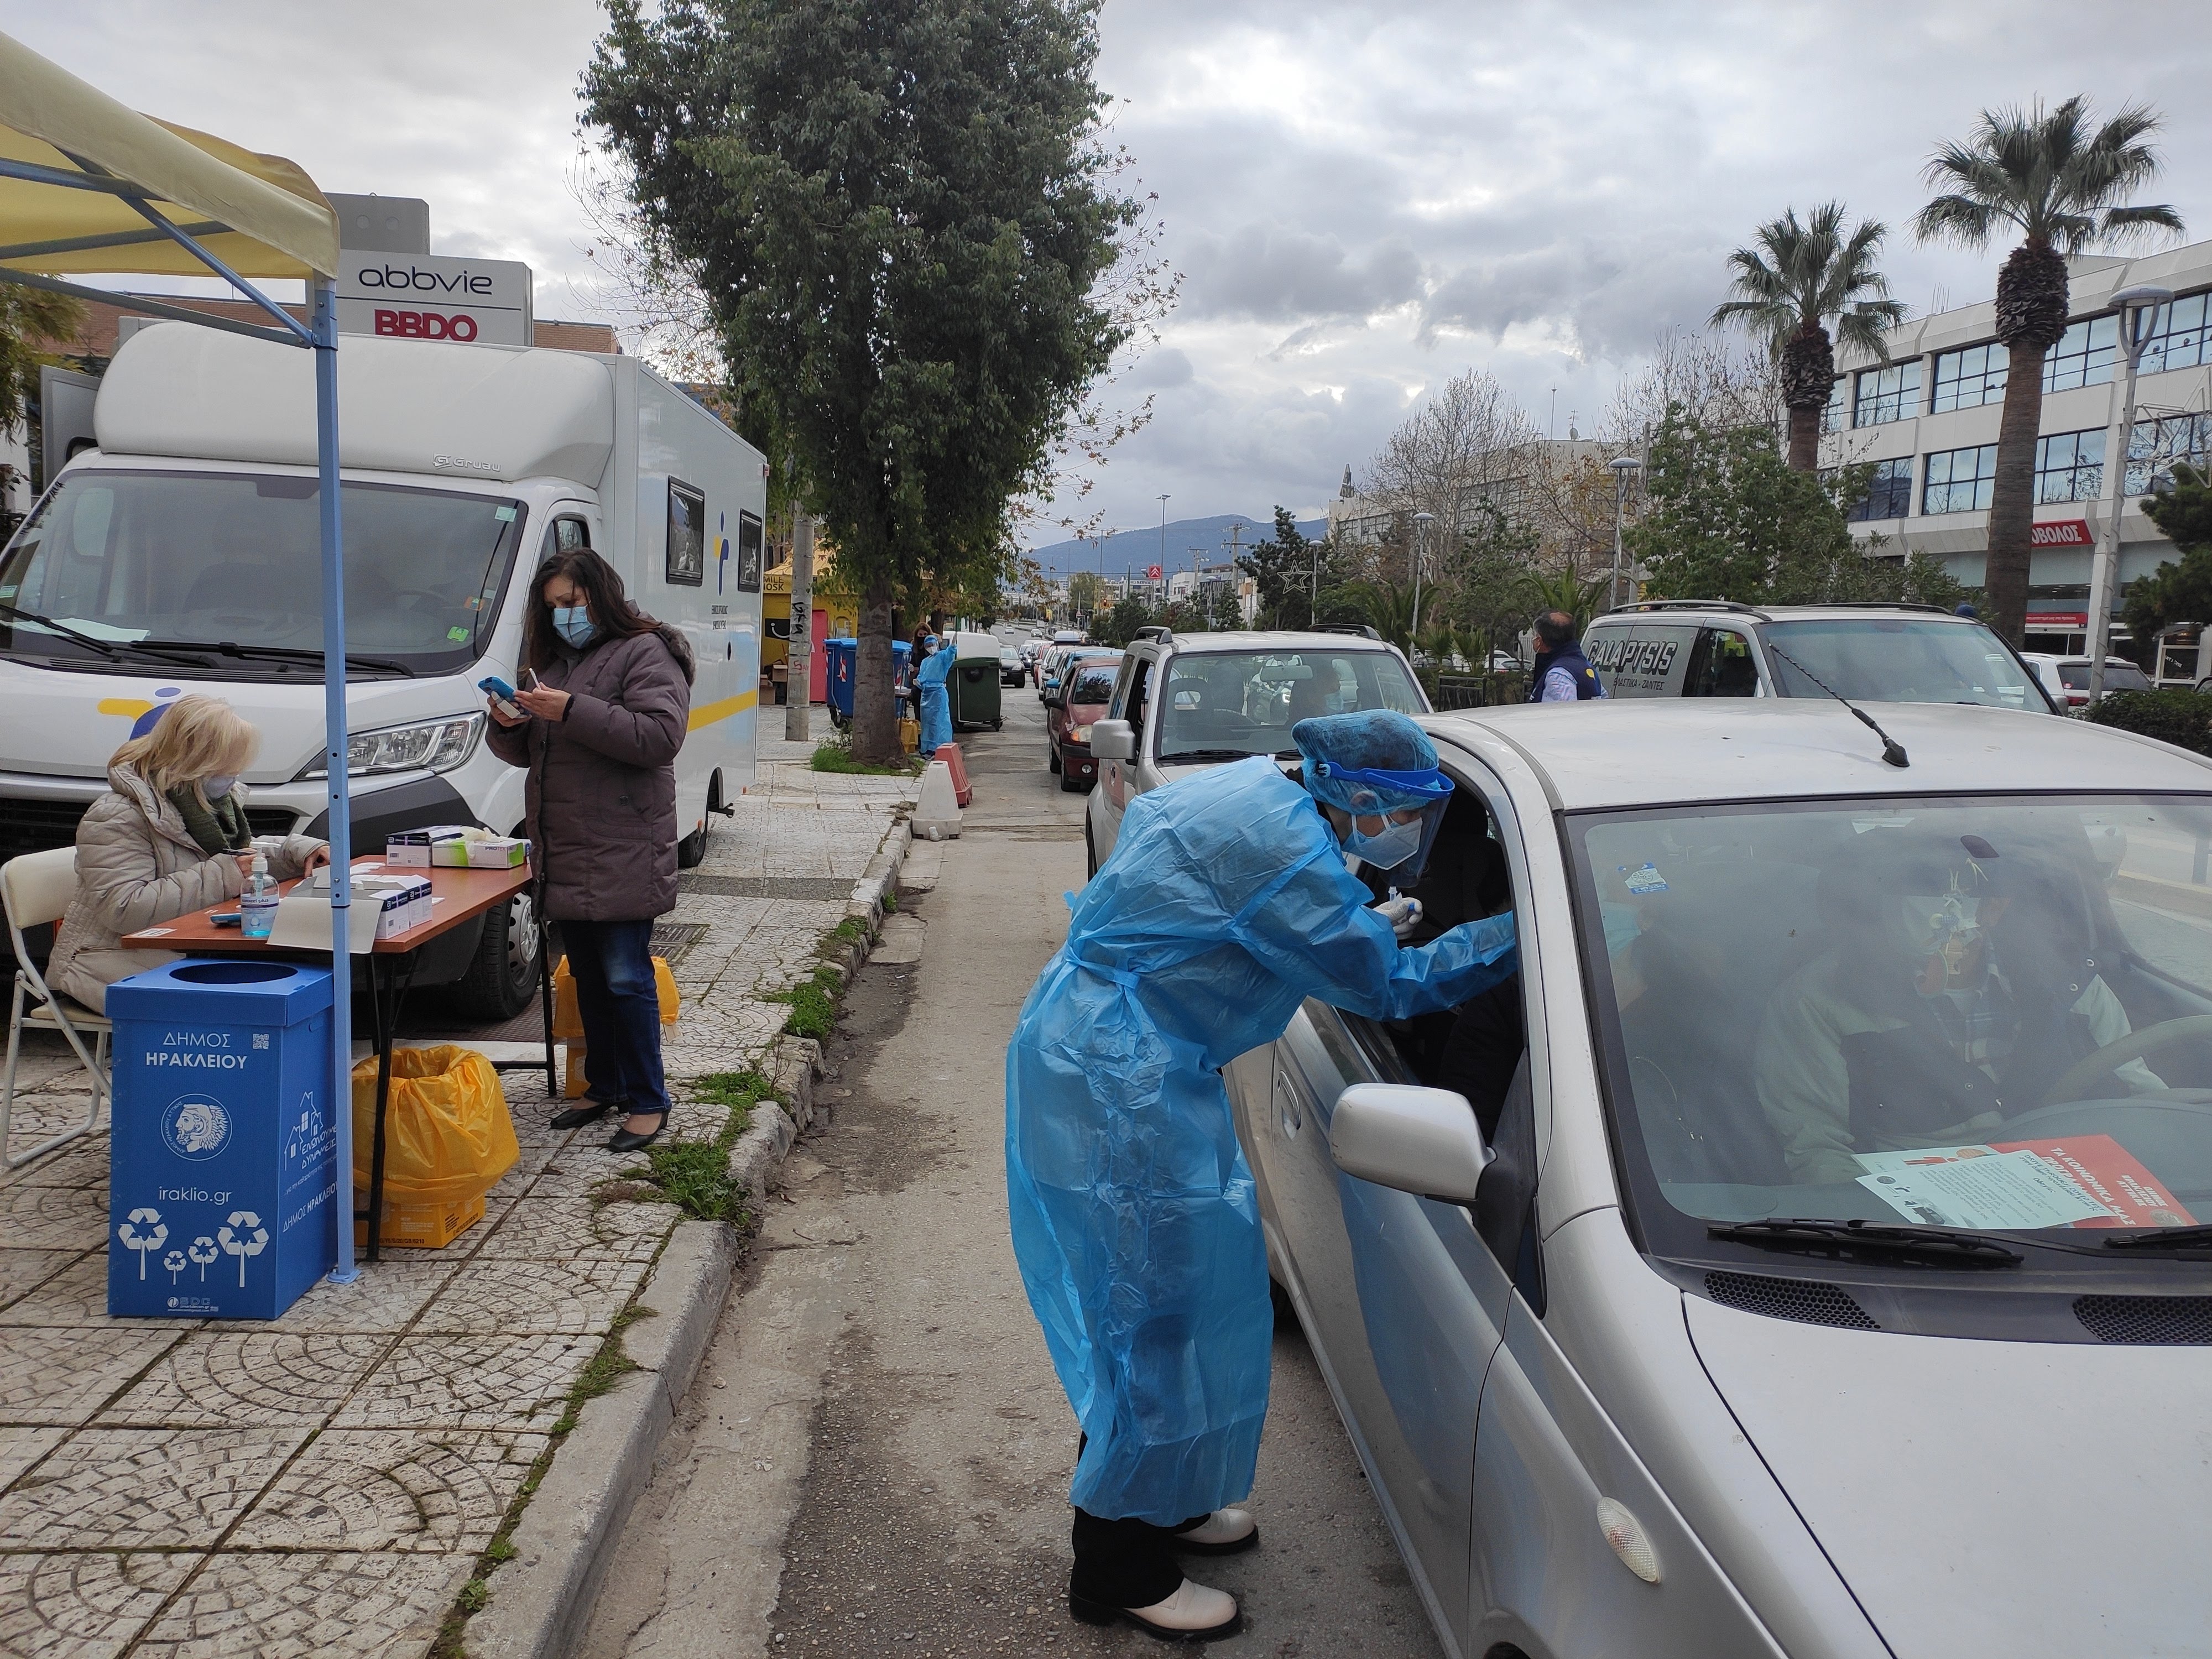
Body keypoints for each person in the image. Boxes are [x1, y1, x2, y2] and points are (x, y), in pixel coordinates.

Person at [1005, 710, 1517, 1640]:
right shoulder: (1292, 858)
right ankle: (1117, 1567)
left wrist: (1365, 918)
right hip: (1122, 1080)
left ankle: (1168, 1502)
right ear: (1356, 798)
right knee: (1149, 1318)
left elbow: (1246, 918)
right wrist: (1517, 935)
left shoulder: (1263, 796)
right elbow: (1388, 986)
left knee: (1190, 1302)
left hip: (1123, 1052)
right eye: (1400, 810)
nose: (1409, 831)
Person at [1755, 829, 2157, 1184]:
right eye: (1929, 897)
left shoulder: (2068, 980)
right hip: (1921, 1221)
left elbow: (2138, 1098)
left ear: (1996, 907)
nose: (1951, 917)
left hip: (2079, 1185)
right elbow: (1819, 1154)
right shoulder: (1820, 1001)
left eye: (1970, 898)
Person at [486, 546, 693, 1153]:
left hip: (624, 845)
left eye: (571, 603)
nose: (562, 616)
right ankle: (604, 1085)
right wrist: (509, 725)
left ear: (601, 595)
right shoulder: (557, 661)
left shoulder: (646, 650)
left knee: (627, 980)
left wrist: (572, 709)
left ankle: (649, 1101)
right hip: (567, 848)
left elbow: (659, 737)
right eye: (552, 607)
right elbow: (537, 755)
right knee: (589, 979)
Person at [48, 695, 328, 1013]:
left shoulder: (201, 802)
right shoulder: (117, 816)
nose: (233, 776)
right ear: (193, 762)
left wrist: (298, 851)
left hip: (188, 947)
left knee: (314, 974)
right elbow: (125, 910)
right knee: (268, 1001)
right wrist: (227, 874)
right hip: (107, 961)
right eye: (226, 767)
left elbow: (243, 857)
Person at [1527, 609, 1606, 702]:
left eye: (1534, 634)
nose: (1534, 638)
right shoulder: (1585, 666)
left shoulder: (1558, 675)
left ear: (1539, 640)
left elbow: (1566, 713)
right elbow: (1604, 699)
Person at [914, 633, 955, 754]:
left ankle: (940, 748)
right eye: (928, 645)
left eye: (933, 644)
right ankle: (927, 748)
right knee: (927, 723)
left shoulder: (942, 656)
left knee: (939, 721)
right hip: (926, 694)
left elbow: (949, 656)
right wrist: (918, 682)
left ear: (937, 644)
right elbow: (922, 676)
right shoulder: (925, 662)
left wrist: (952, 647)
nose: (931, 647)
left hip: (938, 692)